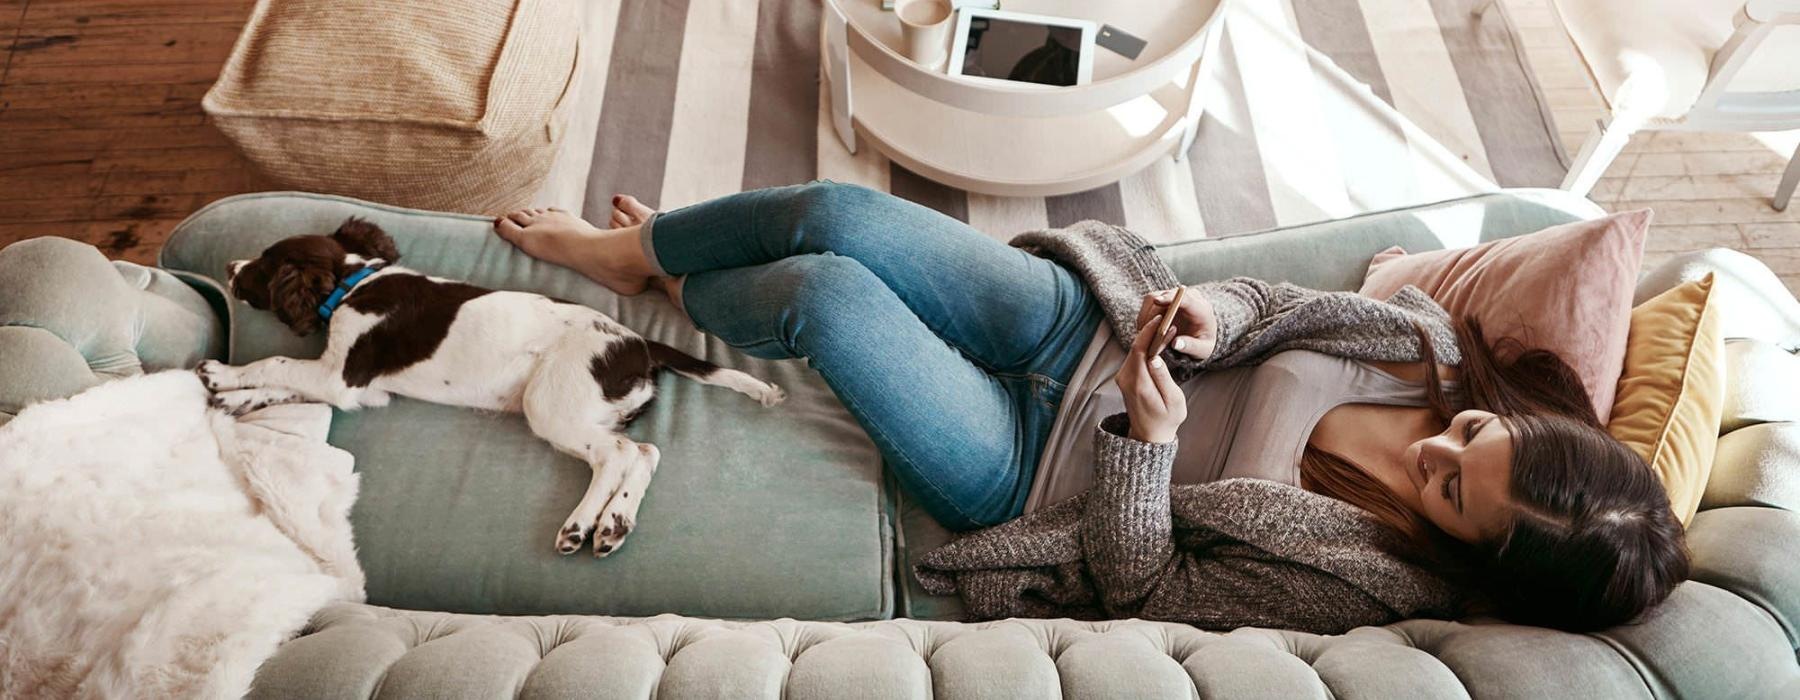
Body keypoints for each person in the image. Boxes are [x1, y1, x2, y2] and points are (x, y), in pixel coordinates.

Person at [493, 181, 1687, 634]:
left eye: (1447, 489)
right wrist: (1216, 313)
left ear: (1467, 554)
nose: (1439, 445)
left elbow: (1148, 587)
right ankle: (637, 252)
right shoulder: (1430, 346)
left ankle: (683, 282)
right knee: (839, 215)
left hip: (1030, 469)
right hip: (1081, 327)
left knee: (822, 294)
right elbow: (1274, 304)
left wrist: (1149, 446)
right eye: (1477, 437)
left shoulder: (1368, 580)